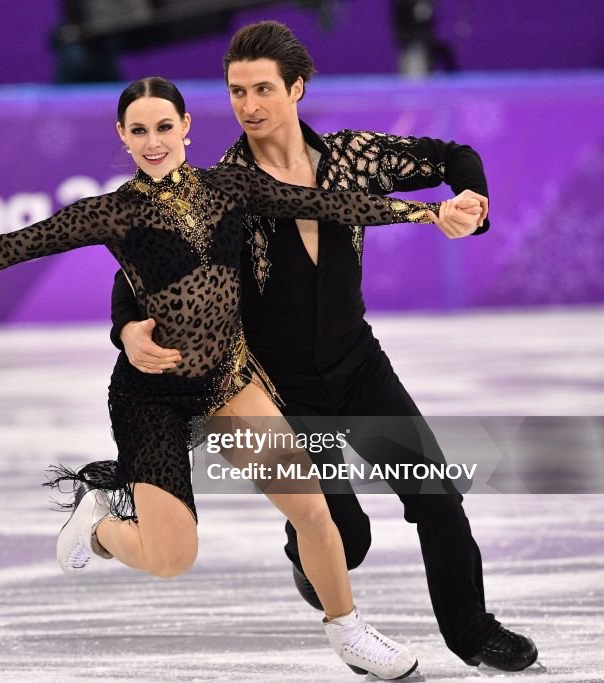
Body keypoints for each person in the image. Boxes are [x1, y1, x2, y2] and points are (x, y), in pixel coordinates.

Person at [0, 77, 475, 679]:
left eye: (164, 125)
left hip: (227, 382)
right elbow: (8, 247)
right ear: (122, 138)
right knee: (172, 556)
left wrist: (425, 215)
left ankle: (348, 631)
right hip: (153, 397)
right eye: (139, 131)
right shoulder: (110, 214)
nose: (154, 141)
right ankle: (99, 520)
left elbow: (327, 203)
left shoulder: (229, 188)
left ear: (186, 126)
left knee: (312, 507)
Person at [109, 21, 537, 673]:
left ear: (297, 88)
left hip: (358, 366)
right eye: (235, 92)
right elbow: (137, 271)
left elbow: (452, 156)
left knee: (436, 494)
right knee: (347, 536)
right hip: (278, 389)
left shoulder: (354, 160)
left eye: (261, 89)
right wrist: (129, 328)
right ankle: (303, 544)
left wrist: (469, 200)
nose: (248, 106)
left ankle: (473, 631)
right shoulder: (223, 188)